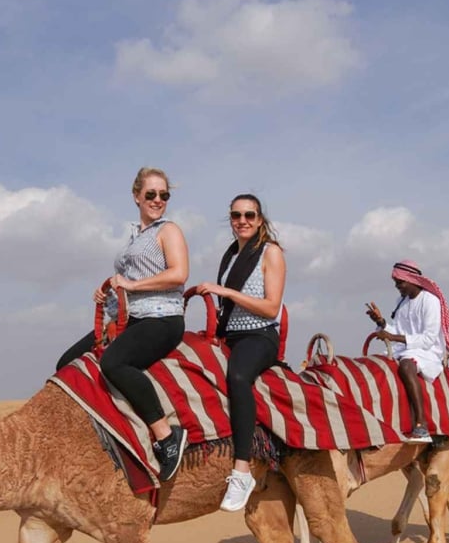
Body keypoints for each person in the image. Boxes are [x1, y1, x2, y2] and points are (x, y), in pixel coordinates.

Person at [56, 167, 189, 481]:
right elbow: (129, 279)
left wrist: (130, 285)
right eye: (151, 194)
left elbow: (179, 274)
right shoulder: (135, 235)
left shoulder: (168, 230)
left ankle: (166, 435)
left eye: (164, 195)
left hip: (162, 318)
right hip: (128, 318)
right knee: (66, 363)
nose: (158, 200)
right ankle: (95, 438)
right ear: (136, 196)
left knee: (114, 363)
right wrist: (107, 291)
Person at [193, 194, 287, 512]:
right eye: (236, 215)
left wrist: (227, 292)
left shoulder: (270, 253)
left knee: (237, 375)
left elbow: (272, 306)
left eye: (249, 215)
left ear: (260, 219)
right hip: (229, 335)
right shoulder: (231, 254)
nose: (242, 220)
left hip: (259, 335)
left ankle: (242, 469)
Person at [364, 260, 449, 443]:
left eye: (400, 282)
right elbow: (396, 331)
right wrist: (380, 322)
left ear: (412, 280)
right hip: (403, 348)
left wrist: (393, 338)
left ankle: (421, 425)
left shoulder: (431, 301)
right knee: (374, 364)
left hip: (427, 351)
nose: (397, 286)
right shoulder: (402, 302)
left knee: (406, 366)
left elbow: (428, 338)